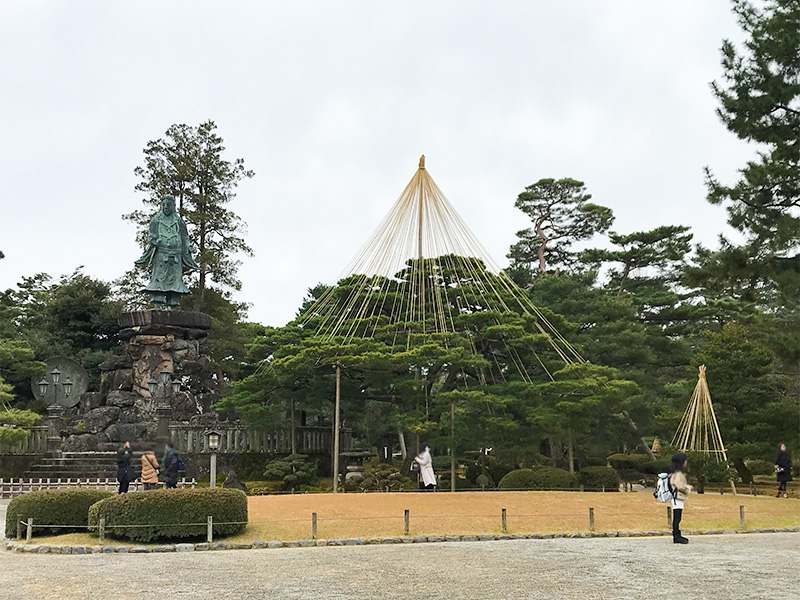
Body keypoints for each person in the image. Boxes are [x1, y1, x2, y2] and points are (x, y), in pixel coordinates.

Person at [669, 451, 693, 544]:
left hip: (675, 497)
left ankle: (677, 534)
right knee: (677, 517)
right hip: (677, 497)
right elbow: (679, 486)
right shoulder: (678, 473)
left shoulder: (674, 472)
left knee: (677, 516)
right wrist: (688, 488)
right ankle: (676, 535)